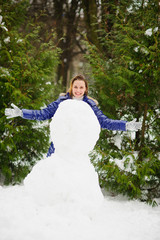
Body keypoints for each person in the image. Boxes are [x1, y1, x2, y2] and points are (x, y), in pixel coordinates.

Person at [5, 74, 142, 157]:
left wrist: (125, 125)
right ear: (71, 87)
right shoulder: (62, 101)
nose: (78, 90)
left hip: (77, 150)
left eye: (81, 87)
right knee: (53, 180)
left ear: (86, 89)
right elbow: (43, 114)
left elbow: (104, 122)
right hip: (58, 147)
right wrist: (22, 113)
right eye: (76, 87)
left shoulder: (90, 105)